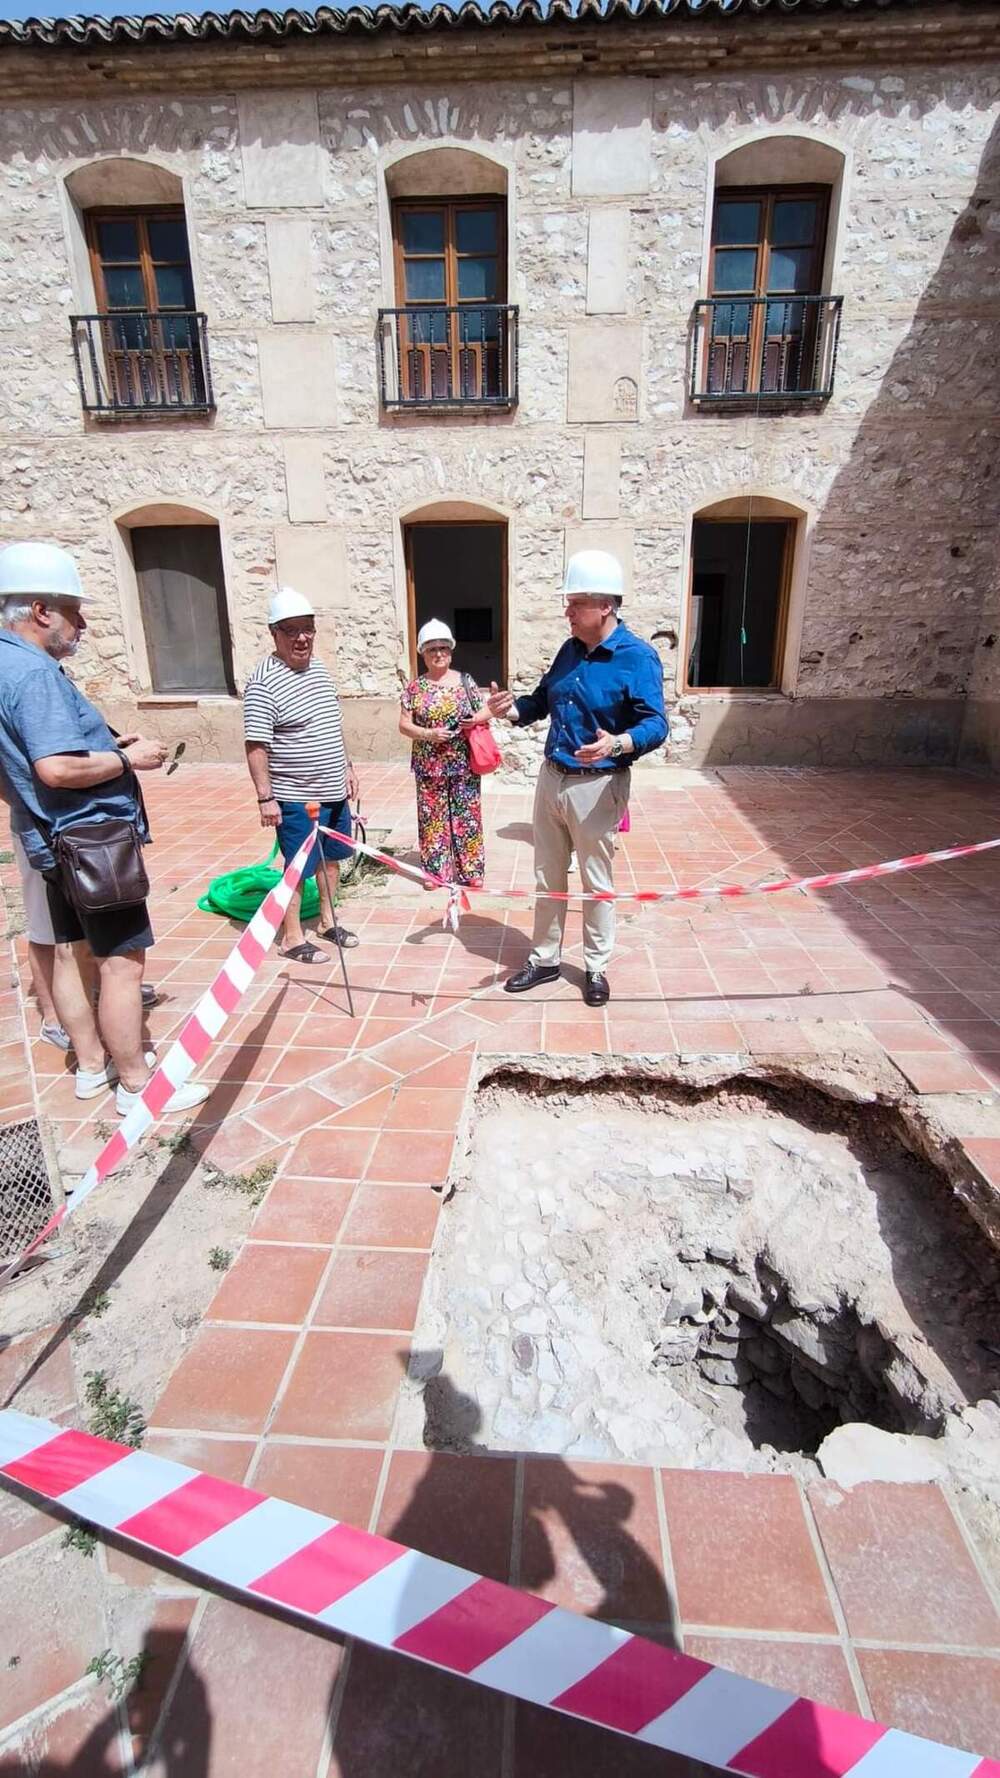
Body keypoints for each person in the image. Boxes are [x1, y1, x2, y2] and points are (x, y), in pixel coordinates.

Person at [0, 541, 208, 1117]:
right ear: (41, 611)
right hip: (92, 841)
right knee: (121, 961)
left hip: (48, 838)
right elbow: (56, 768)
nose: (83, 624)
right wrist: (126, 759)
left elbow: (20, 765)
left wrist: (97, 747)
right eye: (75, 611)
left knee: (69, 953)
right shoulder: (36, 675)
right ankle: (138, 1083)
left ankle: (91, 1066)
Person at [488, 550, 667, 1006]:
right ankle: (545, 959)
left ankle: (595, 966)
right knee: (548, 874)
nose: (566, 612)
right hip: (553, 778)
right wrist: (508, 710)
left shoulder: (637, 657)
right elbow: (539, 702)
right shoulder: (569, 650)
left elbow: (656, 723)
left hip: (598, 784)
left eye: (575, 603)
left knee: (595, 879)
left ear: (604, 605)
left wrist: (618, 743)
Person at [243, 586, 360, 965]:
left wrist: (347, 768)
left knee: (331, 859)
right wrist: (266, 797)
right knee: (296, 869)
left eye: (307, 628)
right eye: (291, 630)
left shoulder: (321, 669)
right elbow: (256, 745)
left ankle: (327, 921)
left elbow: (333, 723)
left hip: (333, 790)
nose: (302, 637)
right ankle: (291, 938)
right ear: (273, 633)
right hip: (296, 796)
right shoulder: (263, 682)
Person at [398, 618, 490, 888]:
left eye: (443, 648)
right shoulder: (416, 688)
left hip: (463, 763)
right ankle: (436, 872)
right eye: (431, 649)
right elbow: (404, 724)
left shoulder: (465, 681)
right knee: (432, 818)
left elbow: (485, 712)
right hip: (429, 764)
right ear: (423, 654)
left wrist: (474, 720)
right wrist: (429, 734)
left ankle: (471, 870)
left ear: (451, 651)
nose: (438, 654)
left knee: (467, 815)